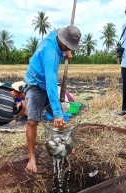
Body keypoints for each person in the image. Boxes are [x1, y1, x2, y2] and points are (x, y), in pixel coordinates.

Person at [24, 25, 81, 172]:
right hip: (35, 84)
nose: (69, 48)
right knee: (32, 121)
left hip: (46, 82)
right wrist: (56, 112)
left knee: (59, 115)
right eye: (67, 46)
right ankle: (31, 157)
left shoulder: (56, 35)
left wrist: (67, 50)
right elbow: (51, 85)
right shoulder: (51, 55)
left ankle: (64, 144)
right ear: (62, 41)